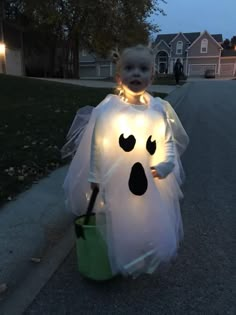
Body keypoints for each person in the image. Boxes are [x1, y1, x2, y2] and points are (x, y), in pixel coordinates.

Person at [63, 45, 189, 278]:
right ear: (119, 76)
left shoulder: (158, 110)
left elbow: (167, 141)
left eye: (143, 69)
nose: (136, 74)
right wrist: (95, 176)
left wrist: (166, 164)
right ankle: (120, 253)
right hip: (117, 176)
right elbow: (98, 144)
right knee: (118, 215)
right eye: (130, 68)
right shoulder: (109, 110)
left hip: (150, 178)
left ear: (152, 76)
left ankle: (142, 250)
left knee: (146, 215)